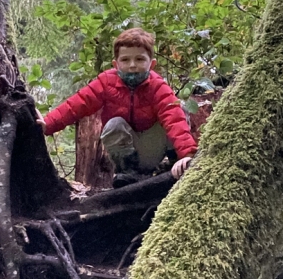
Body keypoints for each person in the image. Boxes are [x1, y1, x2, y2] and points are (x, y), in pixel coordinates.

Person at [36, 28, 197, 187]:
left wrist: (187, 154)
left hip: (153, 148)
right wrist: (48, 124)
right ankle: (128, 173)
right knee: (114, 125)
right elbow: (76, 105)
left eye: (140, 59)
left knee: (177, 110)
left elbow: (174, 119)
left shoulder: (157, 86)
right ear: (116, 64)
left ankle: (176, 164)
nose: (132, 65)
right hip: (126, 151)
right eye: (125, 60)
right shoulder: (106, 82)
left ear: (151, 64)